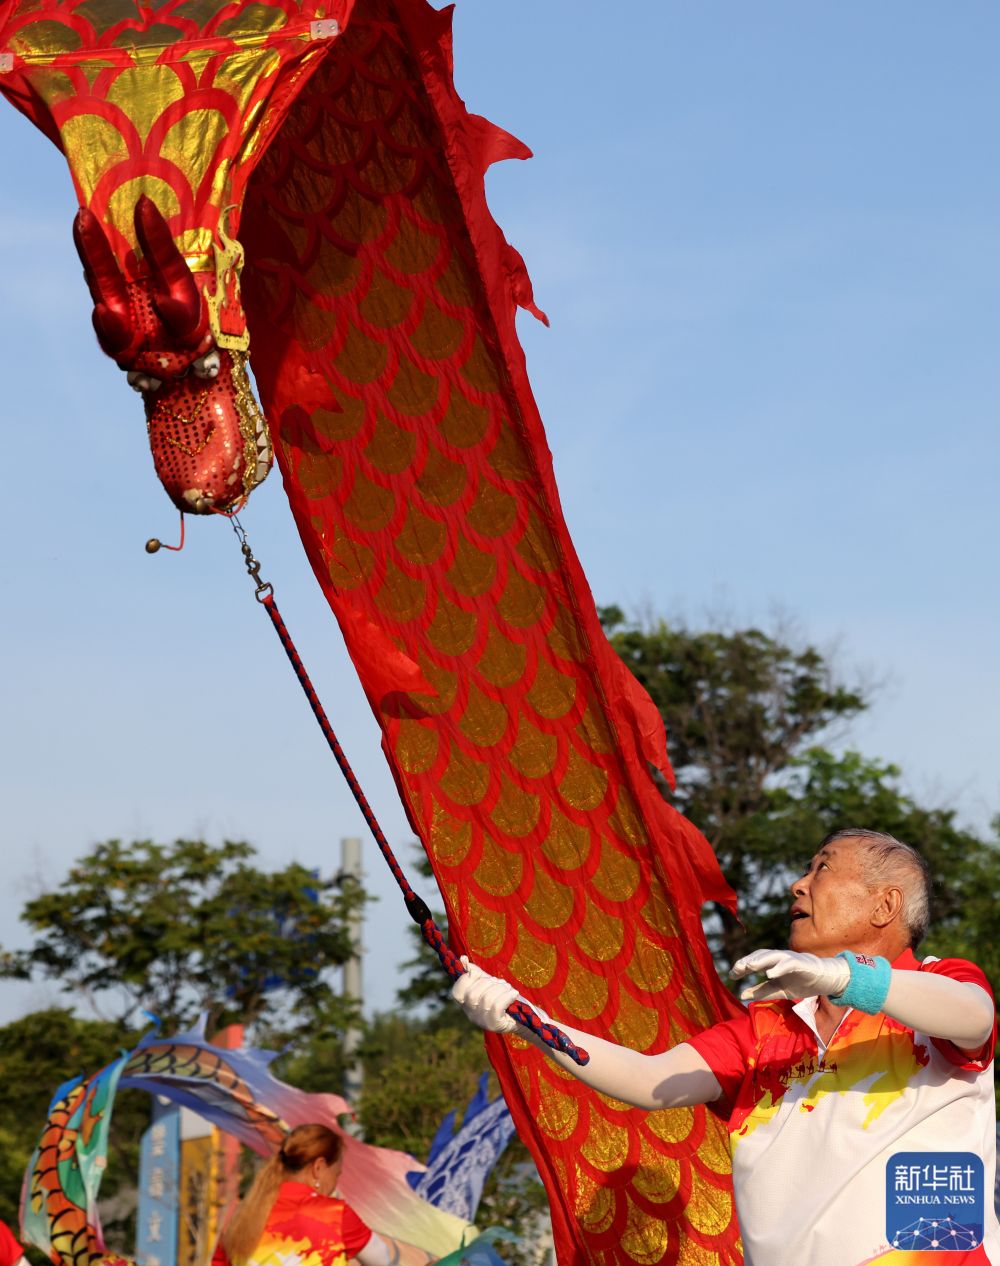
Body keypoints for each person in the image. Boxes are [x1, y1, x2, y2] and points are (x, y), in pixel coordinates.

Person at [452, 828, 999, 1266]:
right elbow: (649, 1082)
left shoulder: (939, 983)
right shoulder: (766, 1031)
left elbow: (974, 1017)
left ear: (885, 906)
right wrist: (531, 1023)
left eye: (822, 868)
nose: (798, 884)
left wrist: (841, 976)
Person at [213, 1124, 401, 1266]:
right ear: (318, 1167)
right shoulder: (333, 1215)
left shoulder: (241, 1218)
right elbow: (382, 1260)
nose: (335, 1183)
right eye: (336, 1174)